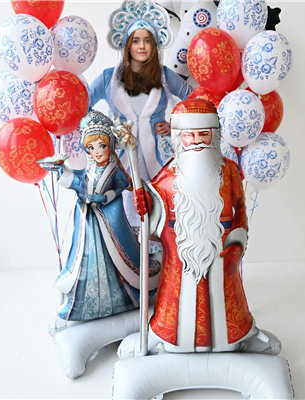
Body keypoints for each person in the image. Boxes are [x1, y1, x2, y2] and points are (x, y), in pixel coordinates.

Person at [116, 99, 257, 352]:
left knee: (225, 299)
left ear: (214, 136)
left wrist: (238, 242)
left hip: (222, 251)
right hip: (179, 254)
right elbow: (153, 204)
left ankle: (230, 341)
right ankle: (174, 340)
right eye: (189, 136)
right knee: (177, 298)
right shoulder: (168, 174)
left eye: (203, 134)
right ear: (179, 138)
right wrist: (143, 199)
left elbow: (240, 210)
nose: (197, 142)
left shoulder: (230, 172)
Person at [40, 110, 161, 321]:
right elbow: (79, 183)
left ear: (110, 145)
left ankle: (127, 297)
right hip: (89, 222)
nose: (97, 152)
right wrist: (61, 170)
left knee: (119, 258)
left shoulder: (114, 169)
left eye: (102, 146)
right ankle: (88, 304)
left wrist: (105, 198)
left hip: (110, 220)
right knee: (88, 260)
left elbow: (123, 186)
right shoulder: (89, 170)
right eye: (91, 147)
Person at [89, 0, 192, 233]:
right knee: (123, 217)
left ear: (155, 45)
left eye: (147, 40)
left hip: (159, 157)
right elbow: (82, 104)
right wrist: (103, 133)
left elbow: (194, 100)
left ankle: (157, 250)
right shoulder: (108, 77)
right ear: (127, 45)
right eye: (136, 40)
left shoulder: (165, 75)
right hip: (120, 157)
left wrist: (176, 125)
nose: (142, 46)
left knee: (160, 214)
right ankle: (129, 252)